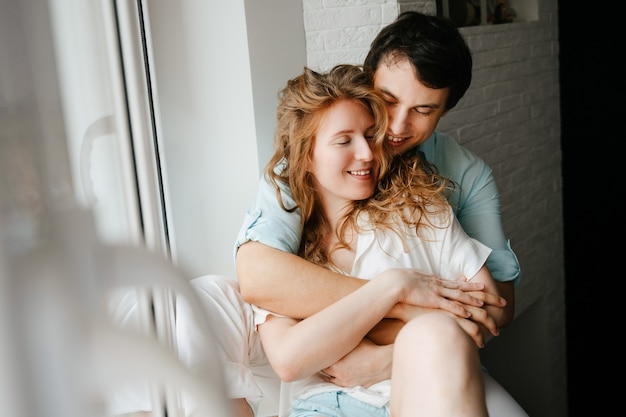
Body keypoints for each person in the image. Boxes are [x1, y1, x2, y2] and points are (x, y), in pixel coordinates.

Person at [235, 9, 519, 378]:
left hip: (434, 365)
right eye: (388, 99)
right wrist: (400, 300)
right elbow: (258, 277)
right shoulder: (312, 162)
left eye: (422, 110)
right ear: (369, 83)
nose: (398, 126)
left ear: (445, 111)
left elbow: (497, 307)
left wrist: (385, 360)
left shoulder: (465, 176)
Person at [253, 63, 499, 417]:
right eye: (344, 140)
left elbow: (481, 314)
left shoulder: (423, 211)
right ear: (306, 156)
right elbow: (291, 360)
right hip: (325, 405)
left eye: (370, 135)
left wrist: (385, 359)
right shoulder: (285, 248)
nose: (367, 153)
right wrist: (394, 288)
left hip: (423, 392)